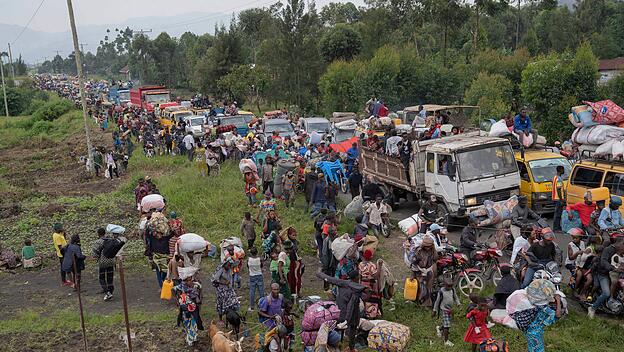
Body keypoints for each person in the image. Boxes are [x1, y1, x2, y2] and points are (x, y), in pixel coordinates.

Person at [316, 269, 366, 352]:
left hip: (341, 311)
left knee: (341, 329)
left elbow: (328, 278)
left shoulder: (342, 282)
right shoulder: (356, 287)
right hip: (351, 313)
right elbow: (363, 298)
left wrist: (319, 274)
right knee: (351, 330)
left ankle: (342, 346)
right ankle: (350, 347)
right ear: (357, 277)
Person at [522, 280, 562, 352]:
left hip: (529, 330)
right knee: (538, 349)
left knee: (532, 347)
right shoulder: (545, 309)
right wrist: (558, 301)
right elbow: (558, 315)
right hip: (536, 333)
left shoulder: (533, 303)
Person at [588, 241, 624, 318]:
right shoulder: (608, 250)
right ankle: (592, 308)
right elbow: (604, 262)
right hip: (603, 274)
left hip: (618, 275)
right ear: (619, 244)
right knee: (606, 293)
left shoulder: (621, 252)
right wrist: (614, 268)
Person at [173, 269, 203, 346]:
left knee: (195, 323)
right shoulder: (181, 287)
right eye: (189, 280)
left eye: (191, 279)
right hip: (185, 309)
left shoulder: (196, 285)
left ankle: (194, 338)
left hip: (194, 308)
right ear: (185, 281)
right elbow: (173, 290)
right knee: (187, 324)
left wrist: (199, 300)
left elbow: (200, 292)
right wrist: (178, 301)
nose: (190, 281)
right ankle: (190, 340)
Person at [432, 277, 461, 347]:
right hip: (444, 310)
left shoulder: (452, 290)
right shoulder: (441, 292)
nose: (450, 287)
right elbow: (437, 302)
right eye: (448, 286)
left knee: (446, 323)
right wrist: (434, 310)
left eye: (451, 285)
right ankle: (446, 341)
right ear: (444, 285)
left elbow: (455, 297)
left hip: (450, 310)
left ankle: (439, 328)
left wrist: (458, 304)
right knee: (447, 326)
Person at [410, 236, 438, 306]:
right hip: (419, 272)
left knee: (429, 288)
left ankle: (427, 303)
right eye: (426, 246)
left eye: (429, 246)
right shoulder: (418, 251)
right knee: (421, 288)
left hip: (429, 272)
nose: (428, 248)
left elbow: (435, 260)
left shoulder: (433, 251)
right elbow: (414, 263)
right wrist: (413, 274)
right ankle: (419, 301)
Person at [212, 257, 241, 321]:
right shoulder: (220, 269)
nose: (229, 266)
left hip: (229, 289)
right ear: (225, 263)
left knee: (233, 302)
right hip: (222, 290)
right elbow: (215, 280)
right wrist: (224, 283)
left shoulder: (230, 269)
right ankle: (220, 319)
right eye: (228, 265)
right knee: (221, 304)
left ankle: (231, 317)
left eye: (230, 265)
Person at [92, 227, 116, 301]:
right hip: (111, 261)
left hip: (102, 262)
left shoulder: (98, 242)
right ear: (105, 233)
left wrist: (96, 257)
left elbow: (94, 254)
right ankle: (111, 291)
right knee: (110, 277)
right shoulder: (111, 240)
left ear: (98, 234)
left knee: (101, 278)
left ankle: (107, 292)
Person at [247, 247, 264, 311]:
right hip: (259, 275)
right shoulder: (259, 259)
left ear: (251, 253)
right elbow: (261, 266)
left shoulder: (249, 259)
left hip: (252, 276)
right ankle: (263, 305)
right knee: (261, 291)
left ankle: (252, 307)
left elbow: (247, 266)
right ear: (257, 252)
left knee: (252, 291)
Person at [552, 165, 565, 232]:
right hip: (558, 199)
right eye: (563, 170)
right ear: (560, 170)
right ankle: (556, 228)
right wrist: (561, 199)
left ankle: (557, 227)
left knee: (557, 214)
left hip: (555, 198)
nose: (564, 171)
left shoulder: (555, 177)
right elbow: (559, 189)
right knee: (558, 214)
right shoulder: (559, 179)